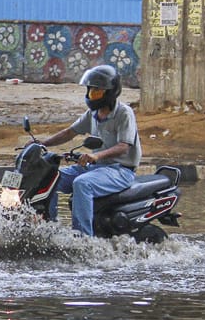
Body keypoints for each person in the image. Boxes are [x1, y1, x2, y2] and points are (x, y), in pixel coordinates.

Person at [37, 65, 142, 236]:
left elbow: (124, 146)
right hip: (96, 168)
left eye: (97, 91)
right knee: (52, 178)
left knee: (82, 183)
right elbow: (70, 132)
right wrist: (42, 143)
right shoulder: (92, 114)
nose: (91, 95)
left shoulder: (124, 113)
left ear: (109, 92)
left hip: (121, 171)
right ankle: (49, 229)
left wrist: (95, 155)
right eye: (90, 90)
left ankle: (83, 238)